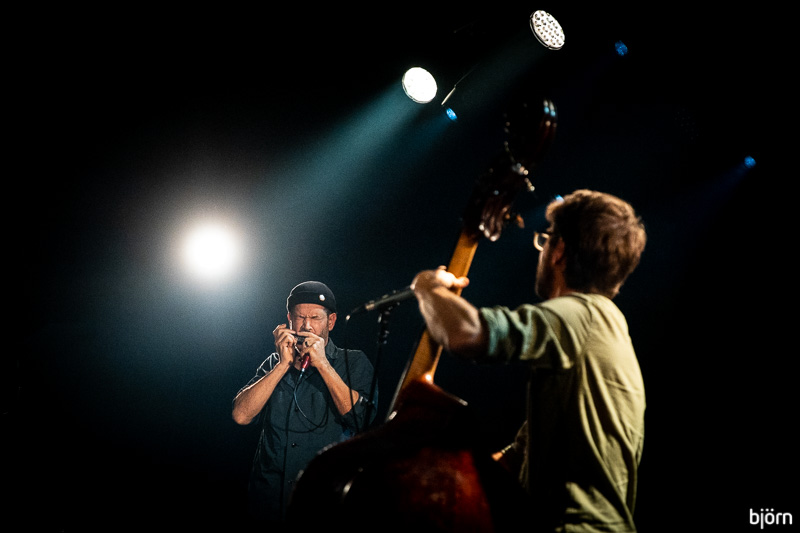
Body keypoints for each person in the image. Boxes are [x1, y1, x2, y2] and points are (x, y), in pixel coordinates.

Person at [410, 189, 647, 532]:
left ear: (559, 251)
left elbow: (465, 334)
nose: (543, 251)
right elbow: (516, 458)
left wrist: (428, 286)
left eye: (545, 241)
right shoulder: (607, 329)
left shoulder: (580, 316)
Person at [232, 281, 376, 527]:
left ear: (331, 321)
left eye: (315, 318)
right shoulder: (273, 363)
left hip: (322, 505)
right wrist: (282, 365)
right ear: (289, 319)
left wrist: (323, 364)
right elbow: (241, 415)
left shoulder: (353, 362)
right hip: (268, 503)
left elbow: (362, 420)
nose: (307, 326)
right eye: (300, 317)